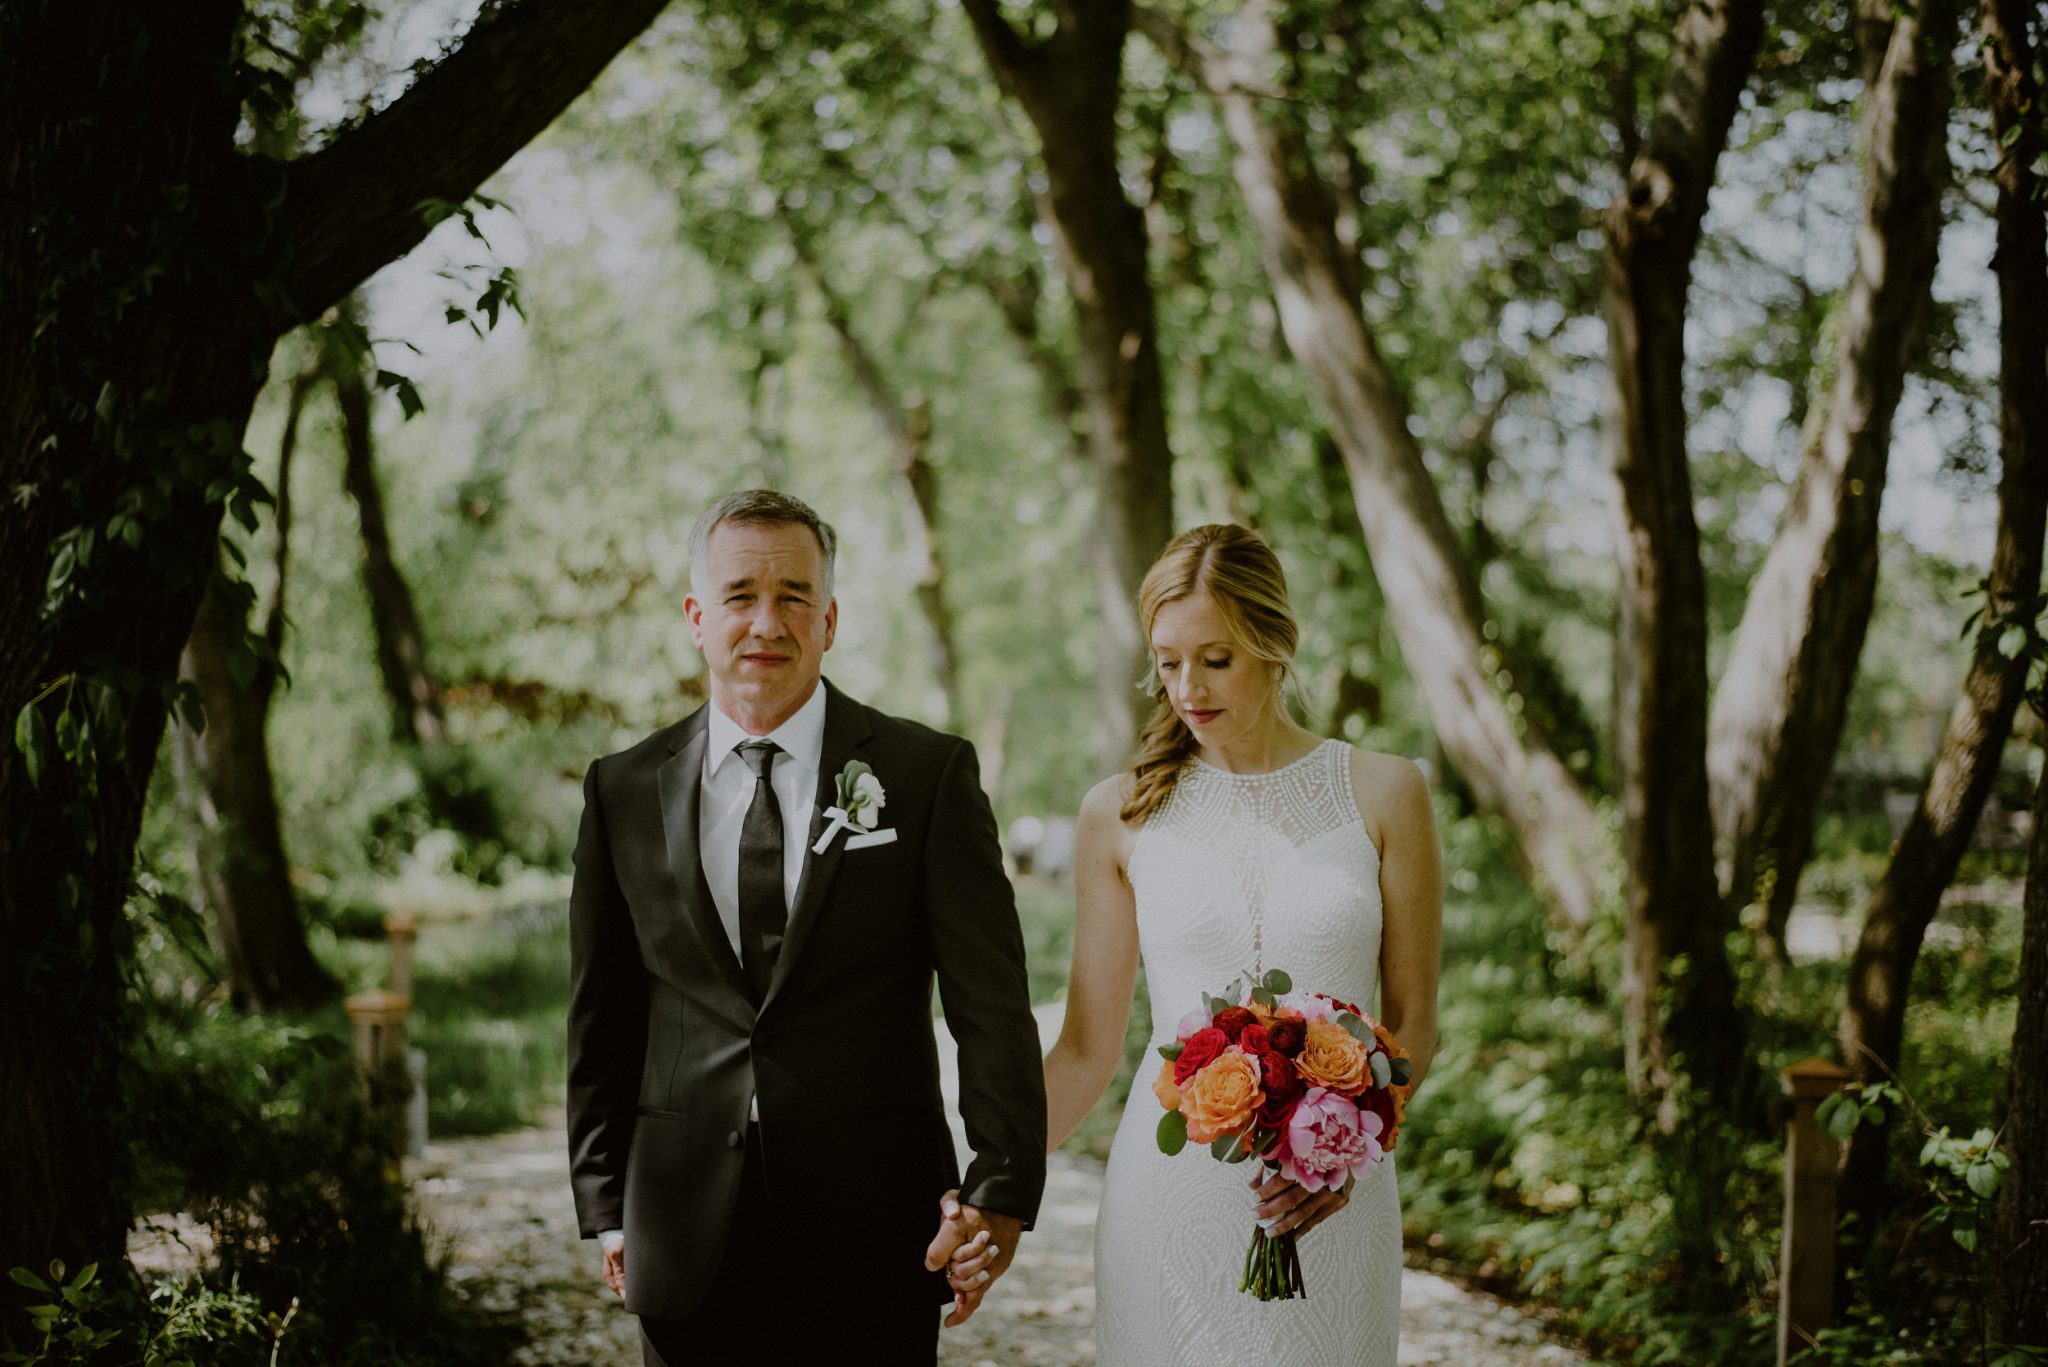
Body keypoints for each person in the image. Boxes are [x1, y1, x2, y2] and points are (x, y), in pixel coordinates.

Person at [565, 489, 1047, 1364]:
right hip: (682, 1220)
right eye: (741, 594)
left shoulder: (925, 773)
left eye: (794, 595)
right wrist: (603, 1201)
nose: (766, 621)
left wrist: (1002, 1185)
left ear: (830, 618)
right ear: (696, 616)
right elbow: (604, 1012)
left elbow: (990, 1002)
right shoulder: (622, 790)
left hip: (878, 1219)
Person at [953, 523, 1443, 1361]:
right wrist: (986, 1188)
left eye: (1216, 659)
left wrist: (1346, 1152)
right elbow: (1084, 1048)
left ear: (1274, 644)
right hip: (1166, 1195)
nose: (1187, 686)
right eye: (1168, 660)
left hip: (1335, 1200)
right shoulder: (1121, 811)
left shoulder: (1386, 791)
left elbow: (1413, 1020)